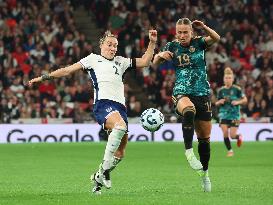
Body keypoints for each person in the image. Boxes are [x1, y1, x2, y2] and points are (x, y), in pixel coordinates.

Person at [28, 29, 158, 194]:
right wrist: (43, 77)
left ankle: (99, 176)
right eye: (109, 44)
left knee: (121, 152)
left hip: (120, 108)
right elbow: (67, 70)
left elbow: (146, 61)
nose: (112, 48)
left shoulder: (121, 61)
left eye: (115, 46)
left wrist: (152, 42)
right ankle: (104, 171)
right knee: (119, 126)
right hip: (103, 104)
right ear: (101, 45)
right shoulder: (92, 59)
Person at [153, 18, 220, 192]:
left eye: (185, 32)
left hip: (202, 93)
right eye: (179, 32)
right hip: (181, 91)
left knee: (205, 140)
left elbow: (216, 38)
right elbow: (154, 62)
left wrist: (204, 26)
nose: (182, 35)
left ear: (191, 32)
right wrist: (160, 55)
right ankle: (189, 152)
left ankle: (204, 174)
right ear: (176, 32)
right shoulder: (171, 46)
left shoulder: (200, 43)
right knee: (188, 110)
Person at [215, 67, 247, 157]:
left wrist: (238, 102)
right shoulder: (221, 90)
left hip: (234, 115)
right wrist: (219, 102)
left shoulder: (237, 89)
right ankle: (230, 150)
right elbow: (216, 103)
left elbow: (245, 100)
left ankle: (238, 136)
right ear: (223, 79)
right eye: (226, 78)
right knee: (225, 132)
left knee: (232, 136)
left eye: (229, 78)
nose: (228, 80)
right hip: (224, 114)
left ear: (232, 79)